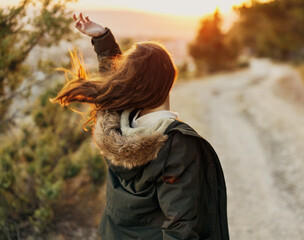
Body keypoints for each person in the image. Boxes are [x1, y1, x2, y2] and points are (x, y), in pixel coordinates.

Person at [51, 13, 229, 240]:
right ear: (169, 80)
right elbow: (179, 227)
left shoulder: (115, 126)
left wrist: (104, 39)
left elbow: (117, 79)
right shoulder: (175, 146)